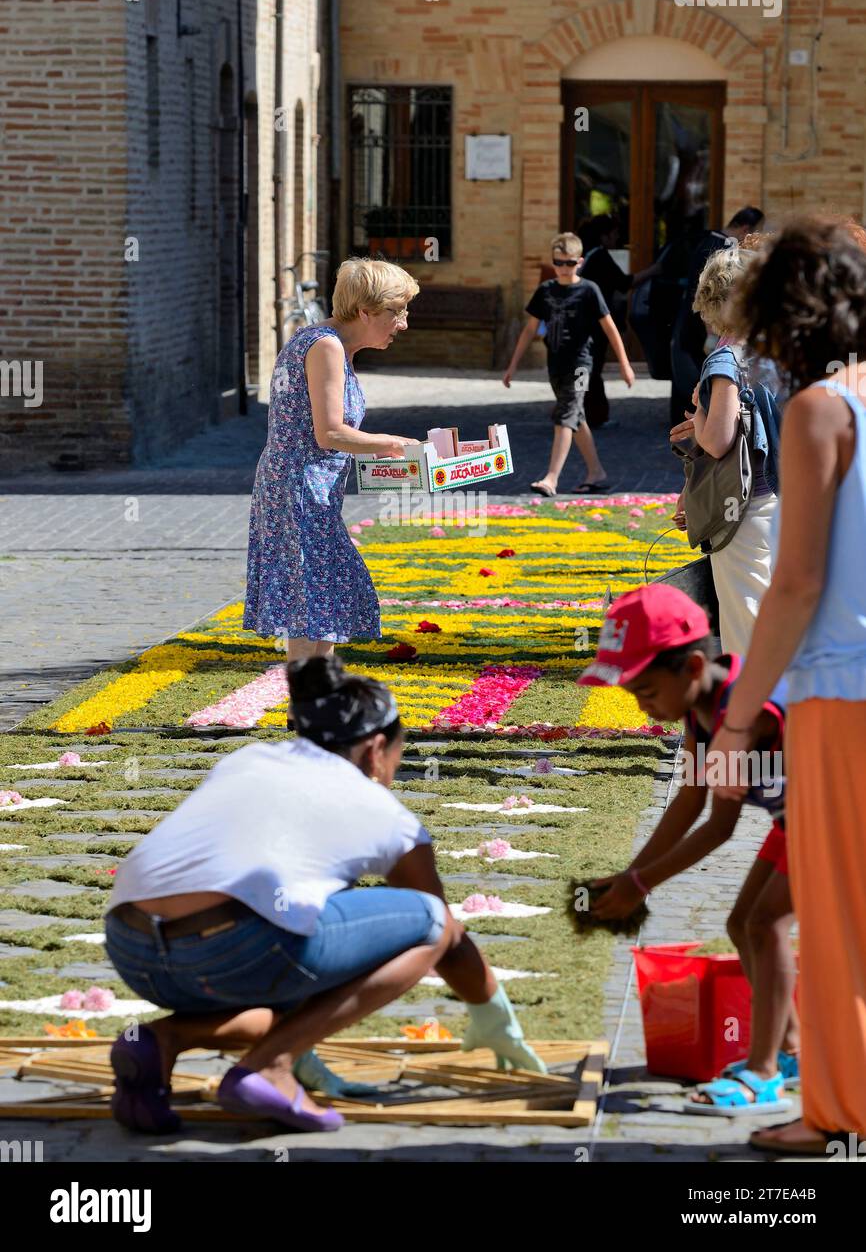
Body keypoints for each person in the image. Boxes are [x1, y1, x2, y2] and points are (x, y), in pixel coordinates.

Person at [105, 656, 545, 1134]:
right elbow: (442, 930)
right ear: (376, 749)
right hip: (232, 949)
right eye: (400, 752)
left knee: (283, 994)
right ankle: (271, 1066)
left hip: (132, 949)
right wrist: (490, 1010)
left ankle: (160, 1041)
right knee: (428, 919)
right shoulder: (383, 811)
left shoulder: (248, 758)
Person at [707, 215, 866, 1156]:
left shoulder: (821, 409)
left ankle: (835, 1110)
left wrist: (735, 721)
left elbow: (798, 581)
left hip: (844, 691)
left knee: (839, 908)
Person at [578, 585, 798, 1115]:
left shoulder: (746, 713)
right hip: (797, 820)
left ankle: (763, 1075)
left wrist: (640, 884)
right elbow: (689, 800)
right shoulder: (701, 707)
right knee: (744, 922)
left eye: (646, 690)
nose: (640, 704)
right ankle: (789, 1051)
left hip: (836, 817)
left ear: (692, 666)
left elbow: (719, 826)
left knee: (764, 925)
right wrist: (630, 873)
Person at [244, 258, 421, 661]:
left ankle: (315, 701)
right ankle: (310, 706)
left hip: (308, 489)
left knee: (321, 595)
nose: (404, 324)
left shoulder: (330, 342)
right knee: (312, 600)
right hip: (299, 490)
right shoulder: (325, 345)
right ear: (365, 311)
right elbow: (331, 433)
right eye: (398, 312)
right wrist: (391, 443)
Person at [670, 244, 782, 657]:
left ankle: (757, 718)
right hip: (783, 502)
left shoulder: (725, 359)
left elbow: (716, 441)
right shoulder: (776, 351)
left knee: (745, 627)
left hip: (744, 510)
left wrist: (699, 412)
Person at [503, 231, 635, 496]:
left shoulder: (589, 290)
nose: (564, 269)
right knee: (576, 416)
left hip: (582, 364)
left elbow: (610, 329)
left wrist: (624, 364)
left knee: (565, 414)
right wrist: (513, 365)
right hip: (556, 364)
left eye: (570, 263)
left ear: (580, 262)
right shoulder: (545, 291)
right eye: (559, 262)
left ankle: (551, 478)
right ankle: (596, 472)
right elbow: (530, 329)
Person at [670, 207, 765, 422]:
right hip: (705, 327)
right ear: (745, 228)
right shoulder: (722, 248)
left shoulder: (707, 241)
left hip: (702, 325)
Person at [578, 215, 661, 429]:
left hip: (581, 320)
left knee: (586, 367)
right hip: (594, 322)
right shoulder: (600, 257)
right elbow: (625, 283)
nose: (617, 238)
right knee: (592, 368)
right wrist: (654, 270)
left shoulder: (585, 254)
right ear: (604, 236)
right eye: (614, 234)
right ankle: (593, 415)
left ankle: (579, 410)